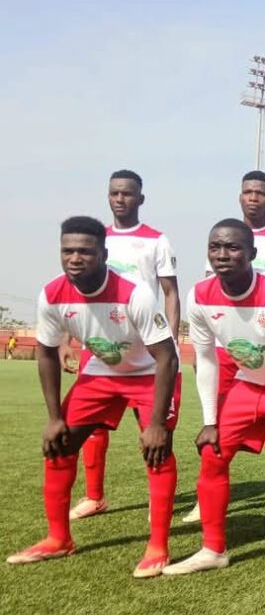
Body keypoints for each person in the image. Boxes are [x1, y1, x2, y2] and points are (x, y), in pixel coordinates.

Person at [7, 216, 179, 577]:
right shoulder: (52, 294)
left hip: (150, 372)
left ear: (103, 254)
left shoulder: (134, 293)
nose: (75, 258)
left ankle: (158, 547)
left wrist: (157, 424)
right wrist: (54, 418)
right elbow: (46, 354)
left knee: (157, 450)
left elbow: (167, 357)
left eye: (85, 251)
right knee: (58, 444)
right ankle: (58, 539)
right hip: (102, 372)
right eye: (67, 251)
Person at [163, 219, 265, 591]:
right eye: (215, 247)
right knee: (212, 454)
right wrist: (210, 420)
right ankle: (213, 549)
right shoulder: (200, 295)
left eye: (233, 247)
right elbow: (206, 359)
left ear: (252, 253)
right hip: (248, 384)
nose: (222, 254)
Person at [184, 170, 265, 525]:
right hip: (227, 347)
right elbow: (210, 288)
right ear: (240, 197)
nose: (253, 197)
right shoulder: (223, 236)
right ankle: (207, 498)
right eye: (248, 192)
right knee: (215, 424)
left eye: (260, 193)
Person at [63, 169, 180, 521]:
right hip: (101, 344)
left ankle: (158, 500)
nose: (120, 198)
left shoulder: (156, 240)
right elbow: (77, 292)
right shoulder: (95, 239)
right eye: (114, 193)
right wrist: (69, 338)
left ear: (140, 198)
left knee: (153, 425)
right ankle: (94, 496)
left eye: (127, 193)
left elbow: (170, 293)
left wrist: (170, 339)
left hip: (145, 346)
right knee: (93, 424)